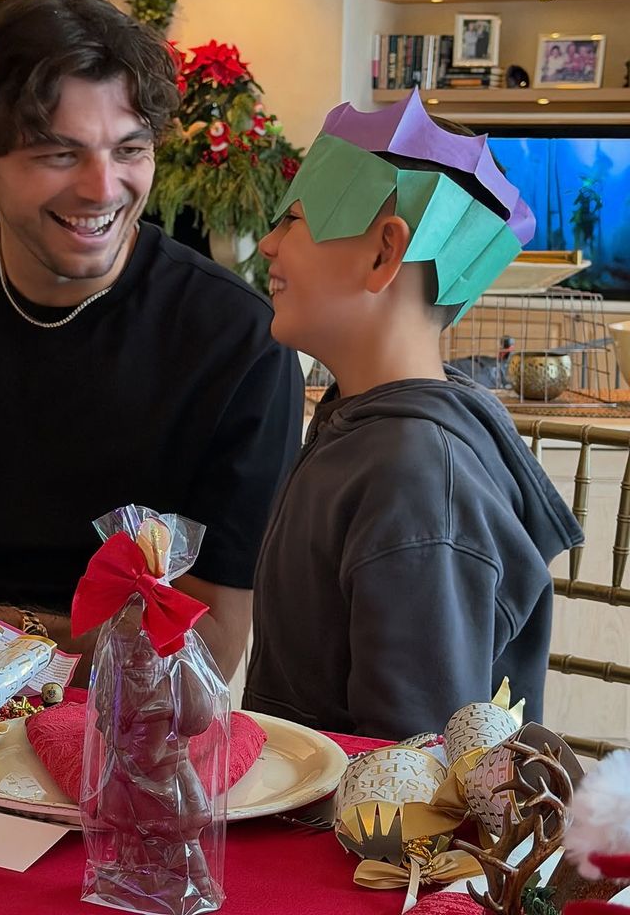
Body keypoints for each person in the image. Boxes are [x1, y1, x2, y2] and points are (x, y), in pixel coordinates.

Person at [0, 0, 304, 683]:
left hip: (105, 727)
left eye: (129, 149)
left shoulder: (236, 342)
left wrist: (11, 630)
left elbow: (210, 648)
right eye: (58, 154)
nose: (103, 189)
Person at [242, 90, 583, 739]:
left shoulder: (415, 477)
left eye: (293, 220)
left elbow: (411, 785)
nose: (267, 244)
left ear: (383, 252)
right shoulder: (364, 429)